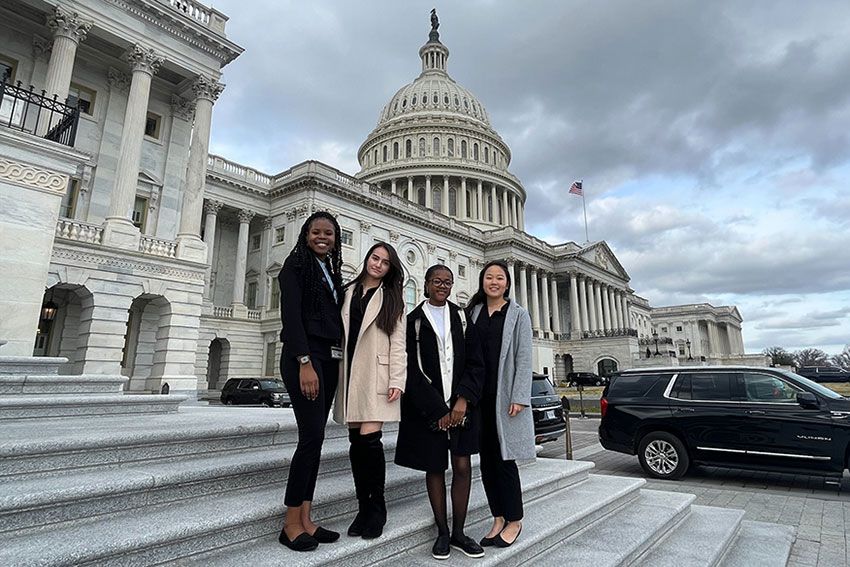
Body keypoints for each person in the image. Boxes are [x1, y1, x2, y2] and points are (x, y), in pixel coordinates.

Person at [395, 264, 485, 560]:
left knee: (462, 467)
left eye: (447, 282)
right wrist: (437, 410)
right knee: (435, 467)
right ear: (426, 284)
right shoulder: (413, 322)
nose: (443, 286)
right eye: (437, 281)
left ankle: (459, 532)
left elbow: (476, 363)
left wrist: (462, 401)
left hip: (461, 407)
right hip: (429, 410)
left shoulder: (461, 318)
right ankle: (443, 533)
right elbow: (409, 370)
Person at [277, 211, 344, 552]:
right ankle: (290, 523)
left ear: (335, 238)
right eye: (316, 232)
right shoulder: (296, 266)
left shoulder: (330, 269)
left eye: (329, 233)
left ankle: (306, 517)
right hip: (305, 358)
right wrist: (304, 361)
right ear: (305, 235)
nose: (323, 237)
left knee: (316, 441)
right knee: (310, 439)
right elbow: (291, 315)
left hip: (328, 359)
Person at [333, 242, 406, 539]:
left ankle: (377, 510)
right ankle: (363, 508)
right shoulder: (347, 292)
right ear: (367, 259)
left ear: (390, 269)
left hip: (377, 372)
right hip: (349, 373)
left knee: (370, 443)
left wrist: (397, 380)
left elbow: (399, 343)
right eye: (375, 258)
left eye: (385, 262)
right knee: (355, 444)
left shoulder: (392, 298)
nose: (378, 264)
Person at [466, 260, 534, 548]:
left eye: (500, 278)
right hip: (478, 397)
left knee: (506, 460)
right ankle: (497, 516)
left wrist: (520, 396)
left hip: (505, 397)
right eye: (489, 277)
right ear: (482, 281)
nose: (494, 282)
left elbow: (523, 357)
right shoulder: (474, 312)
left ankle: (514, 518)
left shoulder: (518, 314)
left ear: (507, 283)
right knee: (487, 461)